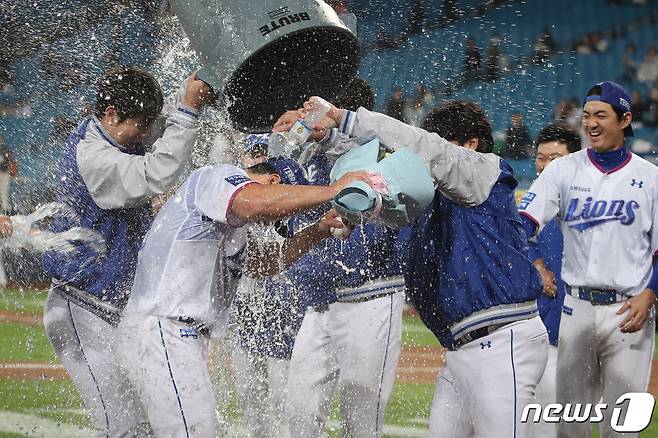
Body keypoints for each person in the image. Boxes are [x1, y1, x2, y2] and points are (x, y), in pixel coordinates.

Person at [275, 98, 548, 437]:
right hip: (461, 348)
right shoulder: (429, 195)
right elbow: (378, 173)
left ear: (470, 144)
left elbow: (426, 150)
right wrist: (328, 142)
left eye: (438, 139)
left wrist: (345, 119)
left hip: (502, 339)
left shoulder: (485, 171)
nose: (413, 158)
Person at [115, 157, 368, 438]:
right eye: (283, 212)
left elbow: (264, 262)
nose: (280, 219)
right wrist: (334, 190)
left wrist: (318, 231)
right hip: (164, 330)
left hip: (169, 334)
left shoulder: (231, 222)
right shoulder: (219, 175)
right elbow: (258, 203)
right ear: (273, 181)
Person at [41, 65, 214, 437]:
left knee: (153, 424)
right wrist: (188, 110)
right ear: (109, 115)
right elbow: (157, 173)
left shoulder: (110, 138)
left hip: (118, 311)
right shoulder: (93, 157)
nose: (146, 133)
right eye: (140, 124)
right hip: (83, 308)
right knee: (123, 427)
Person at [518, 81, 657, 438]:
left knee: (622, 428)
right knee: (569, 425)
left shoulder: (651, 178)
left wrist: (650, 293)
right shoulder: (562, 170)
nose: (591, 123)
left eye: (601, 115)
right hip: (575, 306)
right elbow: (524, 222)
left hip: (629, 309)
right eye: (588, 115)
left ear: (625, 119)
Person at [285, 80, 405, 438]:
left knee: (361, 423)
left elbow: (357, 152)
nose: (309, 118)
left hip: (370, 298)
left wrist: (328, 136)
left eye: (318, 110)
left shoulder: (381, 153)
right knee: (299, 417)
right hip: (319, 301)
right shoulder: (310, 152)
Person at [526, 122, 581, 438]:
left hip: (585, 329)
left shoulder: (595, 204)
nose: (545, 165)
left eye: (555, 158)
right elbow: (518, 240)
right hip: (545, 330)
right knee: (542, 420)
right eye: (541, 157)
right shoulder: (529, 204)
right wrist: (536, 264)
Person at [0, 135, 16, 213]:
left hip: (4, 173)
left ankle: (6, 209)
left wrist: (12, 171)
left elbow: (10, 160)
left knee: (4, 191)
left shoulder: (5, 149)